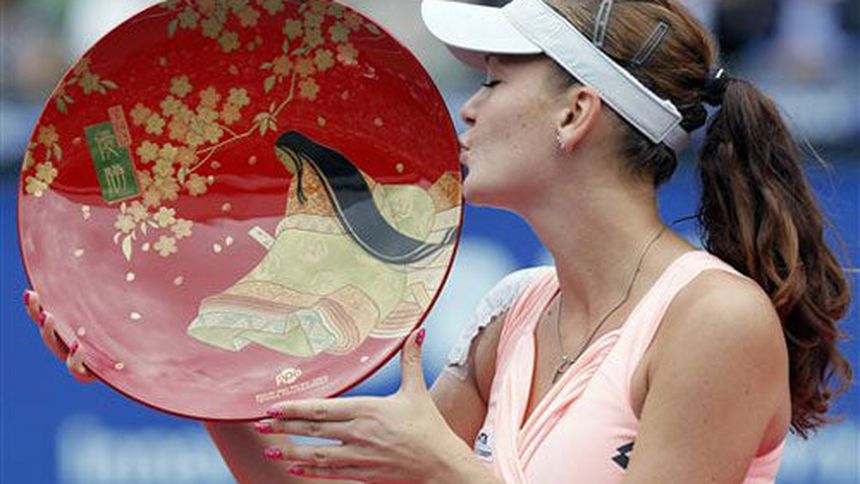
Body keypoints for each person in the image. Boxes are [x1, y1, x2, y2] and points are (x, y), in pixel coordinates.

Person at [24, 0, 852, 482]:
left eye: (494, 80)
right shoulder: (513, 311)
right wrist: (179, 367)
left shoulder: (715, 320)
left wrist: (446, 470)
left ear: (576, 113)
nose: (468, 107)